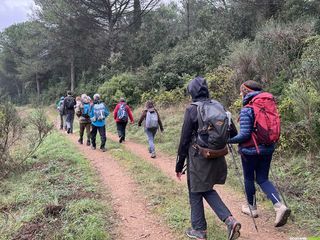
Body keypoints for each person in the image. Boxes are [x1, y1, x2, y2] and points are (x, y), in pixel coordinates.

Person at [175, 77, 241, 240]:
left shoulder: (192, 109)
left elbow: (184, 140)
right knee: (205, 189)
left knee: (195, 190)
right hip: (217, 155)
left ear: (191, 92)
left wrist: (179, 165)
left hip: (198, 158)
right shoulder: (218, 105)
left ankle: (200, 230)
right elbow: (233, 133)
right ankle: (229, 221)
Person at [228, 80, 291, 227]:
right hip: (268, 148)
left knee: (249, 178)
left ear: (246, 92)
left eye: (241, 91)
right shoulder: (269, 106)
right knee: (263, 179)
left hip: (250, 151)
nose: (240, 93)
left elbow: (244, 135)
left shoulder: (248, 109)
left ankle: (252, 208)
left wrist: (228, 140)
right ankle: (279, 206)